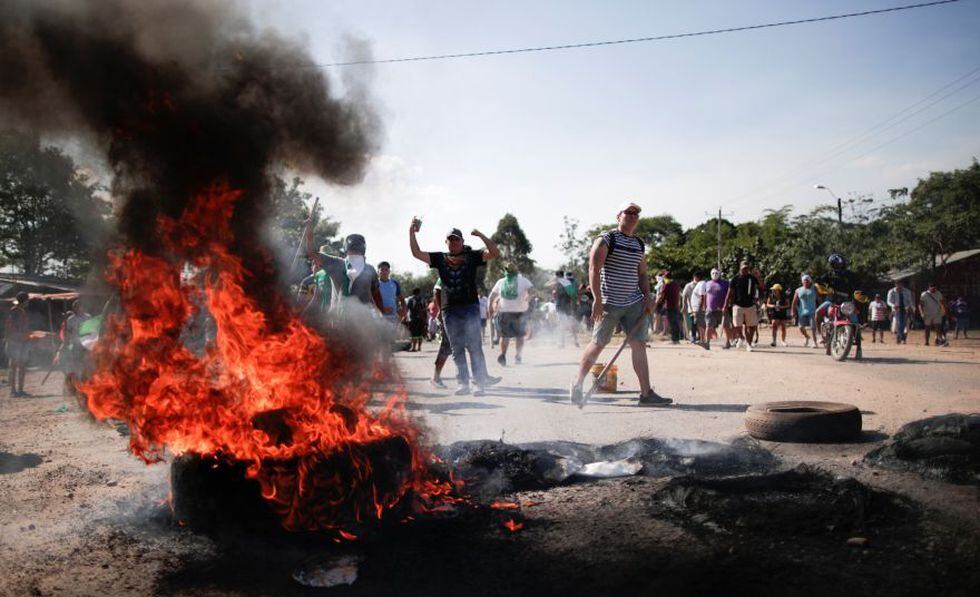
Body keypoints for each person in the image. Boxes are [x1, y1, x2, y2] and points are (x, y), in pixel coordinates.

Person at [569, 201, 671, 407]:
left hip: (634, 303)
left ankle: (646, 393)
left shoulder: (639, 244)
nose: (633, 216)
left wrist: (647, 297)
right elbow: (593, 269)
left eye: (636, 214)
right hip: (609, 302)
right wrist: (597, 299)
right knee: (598, 344)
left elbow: (642, 274)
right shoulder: (607, 239)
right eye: (628, 212)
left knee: (639, 344)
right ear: (619, 216)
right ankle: (578, 385)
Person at [410, 222, 501, 396]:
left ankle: (479, 384)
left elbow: (495, 253)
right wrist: (411, 231)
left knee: (474, 346)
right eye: (450, 240)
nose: (453, 243)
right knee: (457, 348)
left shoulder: (472, 257)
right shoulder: (440, 258)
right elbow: (416, 253)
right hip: (449, 310)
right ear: (446, 243)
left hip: (470, 308)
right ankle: (463, 384)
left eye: (456, 240)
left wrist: (481, 235)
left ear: (462, 241)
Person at [487, 262, 534, 366]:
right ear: (516, 270)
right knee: (520, 336)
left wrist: (490, 308)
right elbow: (532, 291)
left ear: (505, 271)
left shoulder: (501, 281)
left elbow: (491, 296)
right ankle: (518, 356)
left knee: (504, 336)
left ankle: (503, 355)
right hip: (520, 312)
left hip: (504, 312)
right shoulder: (523, 280)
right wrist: (529, 298)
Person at [726, 261, 761, 352]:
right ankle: (741, 337)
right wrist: (725, 304)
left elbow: (761, 286)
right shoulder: (735, 279)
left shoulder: (752, 278)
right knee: (736, 325)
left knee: (751, 326)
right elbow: (730, 292)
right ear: (740, 268)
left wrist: (758, 277)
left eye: (747, 268)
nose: (745, 270)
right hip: (738, 305)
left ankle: (748, 344)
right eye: (743, 268)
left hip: (750, 305)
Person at [5, 292, 31, 397]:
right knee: (14, 365)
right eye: (27, 300)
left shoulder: (20, 311)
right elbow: (10, 327)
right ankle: (13, 391)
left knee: (22, 366)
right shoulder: (15, 311)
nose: (28, 302)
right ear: (24, 301)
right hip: (15, 342)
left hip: (21, 341)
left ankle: (20, 390)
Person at [547, 271, 579, 348]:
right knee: (571, 324)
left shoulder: (558, 282)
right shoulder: (567, 281)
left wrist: (554, 281)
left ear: (557, 276)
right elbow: (573, 293)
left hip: (560, 306)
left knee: (562, 325)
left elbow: (548, 286)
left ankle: (562, 343)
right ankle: (575, 342)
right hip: (567, 305)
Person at [698, 268, 728, 349]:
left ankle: (728, 342)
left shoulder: (725, 283)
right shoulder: (707, 283)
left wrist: (726, 305)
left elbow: (729, 294)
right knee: (708, 325)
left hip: (722, 309)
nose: (715, 274)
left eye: (716, 273)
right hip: (710, 309)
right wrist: (704, 306)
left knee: (726, 326)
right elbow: (705, 295)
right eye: (713, 273)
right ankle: (707, 343)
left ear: (719, 273)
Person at [791, 274, 818, 347]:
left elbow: (819, 298)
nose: (806, 282)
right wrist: (793, 312)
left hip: (812, 311)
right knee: (800, 327)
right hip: (802, 312)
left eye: (807, 280)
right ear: (802, 282)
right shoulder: (798, 290)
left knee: (813, 327)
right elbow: (794, 302)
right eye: (804, 280)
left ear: (810, 281)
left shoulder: (814, 288)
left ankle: (815, 342)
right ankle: (806, 336)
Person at [656, 271, 682, 344]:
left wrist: (657, 303)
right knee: (675, 323)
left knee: (672, 323)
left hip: (670, 306)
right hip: (676, 306)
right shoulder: (676, 285)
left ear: (665, 277)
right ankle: (677, 339)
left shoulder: (667, 285)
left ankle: (674, 340)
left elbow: (662, 296)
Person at [886, 279, 914, 344]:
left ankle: (903, 338)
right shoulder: (891, 291)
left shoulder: (907, 291)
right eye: (898, 284)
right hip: (896, 310)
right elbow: (888, 301)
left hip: (905, 309)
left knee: (905, 324)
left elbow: (910, 301)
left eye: (900, 284)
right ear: (895, 285)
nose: (899, 286)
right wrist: (893, 305)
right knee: (898, 324)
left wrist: (909, 307)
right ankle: (899, 337)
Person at [919, 282, 945, 347]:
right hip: (928, 313)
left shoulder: (938, 293)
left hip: (937, 313)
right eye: (932, 288)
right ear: (929, 288)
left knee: (938, 327)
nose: (934, 290)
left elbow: (942, 303)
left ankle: (939, 341)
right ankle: (927, 341)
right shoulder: (924, 294)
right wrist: (922, 313)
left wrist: (943, 311)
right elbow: (920, 305)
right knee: (927, 328)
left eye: (935, 288)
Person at [682, 273, 702, 344]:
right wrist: (684, 305)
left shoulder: (701, 285)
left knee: (699, 322)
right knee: (694, 322)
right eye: (696, 277)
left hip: (700, 307)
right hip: (691, 307)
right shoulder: (689, 286)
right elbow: (684, 296)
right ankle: (693, 336)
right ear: (694, 277)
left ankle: (700, 336)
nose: (698, 278)